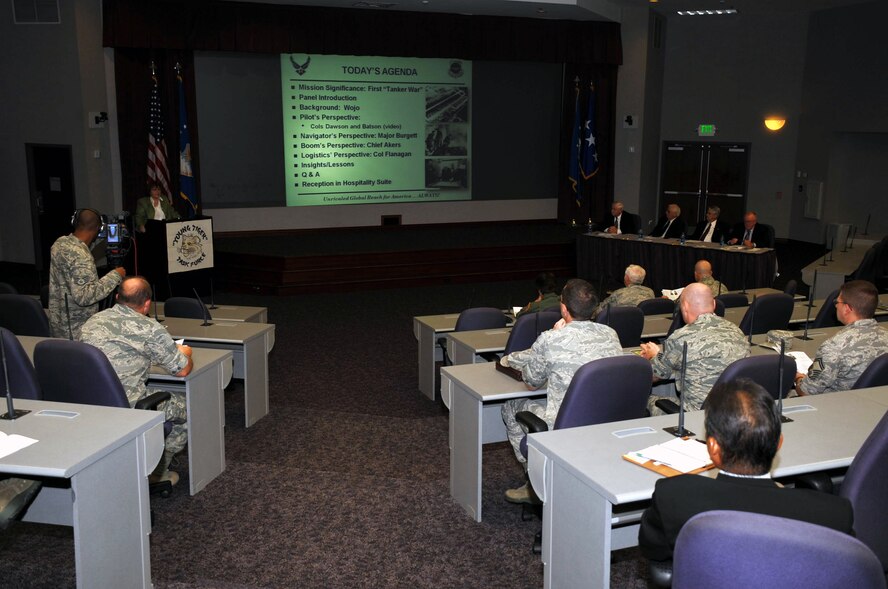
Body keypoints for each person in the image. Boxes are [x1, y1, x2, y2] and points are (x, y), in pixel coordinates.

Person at [638, 378, 854, 564]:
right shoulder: (834, 515)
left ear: (712, 448)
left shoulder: (674, 494)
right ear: (779, 443)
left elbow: (653, 550)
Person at [500, 278, 623, 503]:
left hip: (564, 425)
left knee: (510, 407)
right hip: (605, 420)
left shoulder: (551, 338)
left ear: (564, 308)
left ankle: (536, 481)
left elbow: (531, 383)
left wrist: (552, 335)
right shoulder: (610, 334)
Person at [80, 276, 193, 486]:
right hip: (128, 405)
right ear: (148, 303)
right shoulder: (149, 327)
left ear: (116, 297)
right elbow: (182, 369)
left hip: (91, 403)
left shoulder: (92, 322)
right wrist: (184, 352)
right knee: (185, 407)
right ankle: (156, 472)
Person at [639, 283, 748, 414]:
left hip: (694, 415)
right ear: (713, 304)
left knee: (645, 399)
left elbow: (653, 376)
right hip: (733, 411)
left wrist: (654, 356)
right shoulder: (737, 332)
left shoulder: (681, 337)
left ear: (684, 307)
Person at [795, 279, 888, 395]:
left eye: (837, 302)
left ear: (847, 309)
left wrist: (797, 377)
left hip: (834, 406)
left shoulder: (834, 346)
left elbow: (807, 392)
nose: (835, 306)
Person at [48, 208, 125, 339]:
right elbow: (85, 296)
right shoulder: (81, 256)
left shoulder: (60, 243)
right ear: (98, 229)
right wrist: (116, 275)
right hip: (77, 330)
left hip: (59, 324)